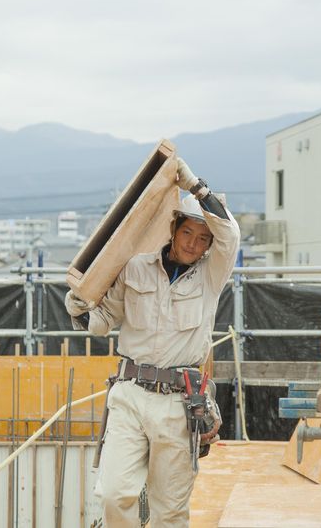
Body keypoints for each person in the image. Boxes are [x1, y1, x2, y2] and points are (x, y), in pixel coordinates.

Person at [65, 157, 240, 527]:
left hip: (179, 404)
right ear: (173, 230)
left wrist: (195, 186)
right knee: (114, 494)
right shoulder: (136, 268)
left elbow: (232, 234)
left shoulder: (210, 277)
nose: (194, 244)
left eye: (203, 238)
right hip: (130, 394)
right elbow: (102, 322)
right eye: (188, 233)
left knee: (169, 510)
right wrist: (79, 308)